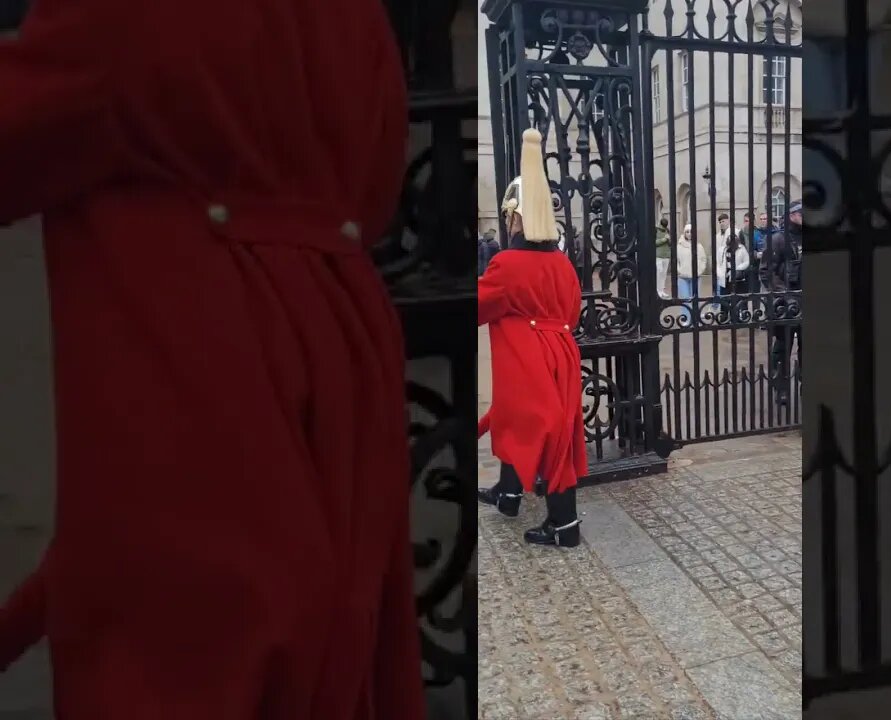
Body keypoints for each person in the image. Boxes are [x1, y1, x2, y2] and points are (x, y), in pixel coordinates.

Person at [0, 0, 423, 715]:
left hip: (197, 370)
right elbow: (377, 185)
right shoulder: (360, 18)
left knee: (190, 661)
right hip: (343, 368)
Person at [476, 128, 587, 548]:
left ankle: (564, 526)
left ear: (516, 217)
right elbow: (572, 314)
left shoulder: (506, 264)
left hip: (529, 361)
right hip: (562, 355)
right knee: (521, 421)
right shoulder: (563, 264)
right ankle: (508, 494)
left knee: (546, 435)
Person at [761, 202, 803, 406]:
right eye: (801, 212)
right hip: (785, 304)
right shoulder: (777, 239)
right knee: (782, 347)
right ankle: (782, 387)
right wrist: (786, 295)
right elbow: (767, 272)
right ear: (791, 215)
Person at [716, 213, 752, 321]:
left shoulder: (739, 241)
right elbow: (718, 261)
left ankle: (739, 316)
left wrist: (737, 269)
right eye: (720, 222)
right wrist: (719, 273)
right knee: (724, 297)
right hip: (724, 274)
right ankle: (724, 316)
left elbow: (746, 260)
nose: (722, 223)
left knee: (739, 296)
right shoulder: (719, 239)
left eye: (723, 221)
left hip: (737, 274)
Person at [675, 223, 708, 326]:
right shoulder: (679, 246)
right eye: (687, 232)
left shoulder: (698, 246)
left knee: (695, 298)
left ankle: (695, 319)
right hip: (683, 276)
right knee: (685, 299)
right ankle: (686, 319)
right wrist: (679, 270)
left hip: (695, 276)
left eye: (691, 232)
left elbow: (703, 259)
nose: (689, 234)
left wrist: (700, 270)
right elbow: (675, 260)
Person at [655, 217, 672, 299]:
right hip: (658, 256)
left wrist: (668, 240)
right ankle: (657, 290)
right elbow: (654, 242)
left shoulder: (667, 230)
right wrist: (664, 239)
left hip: (666, 256)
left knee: (664, 274)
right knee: (659, 273)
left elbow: (670, 244)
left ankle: (662, 290)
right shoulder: (656, 230)